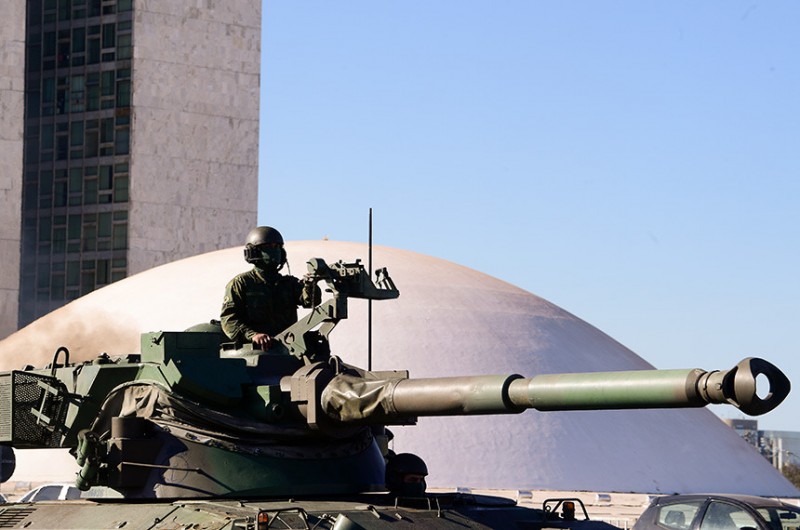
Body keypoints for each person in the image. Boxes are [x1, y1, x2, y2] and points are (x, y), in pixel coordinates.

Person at [220, 226, 319, 349]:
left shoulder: (289, 283)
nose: (275, 251)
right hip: (254, 352)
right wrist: (253, 335)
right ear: (254, 252)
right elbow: (229, 319)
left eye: (277, 247)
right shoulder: (241, 283)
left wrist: (311, 284)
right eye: (268, 247)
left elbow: (310, 302)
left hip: (287, 349)